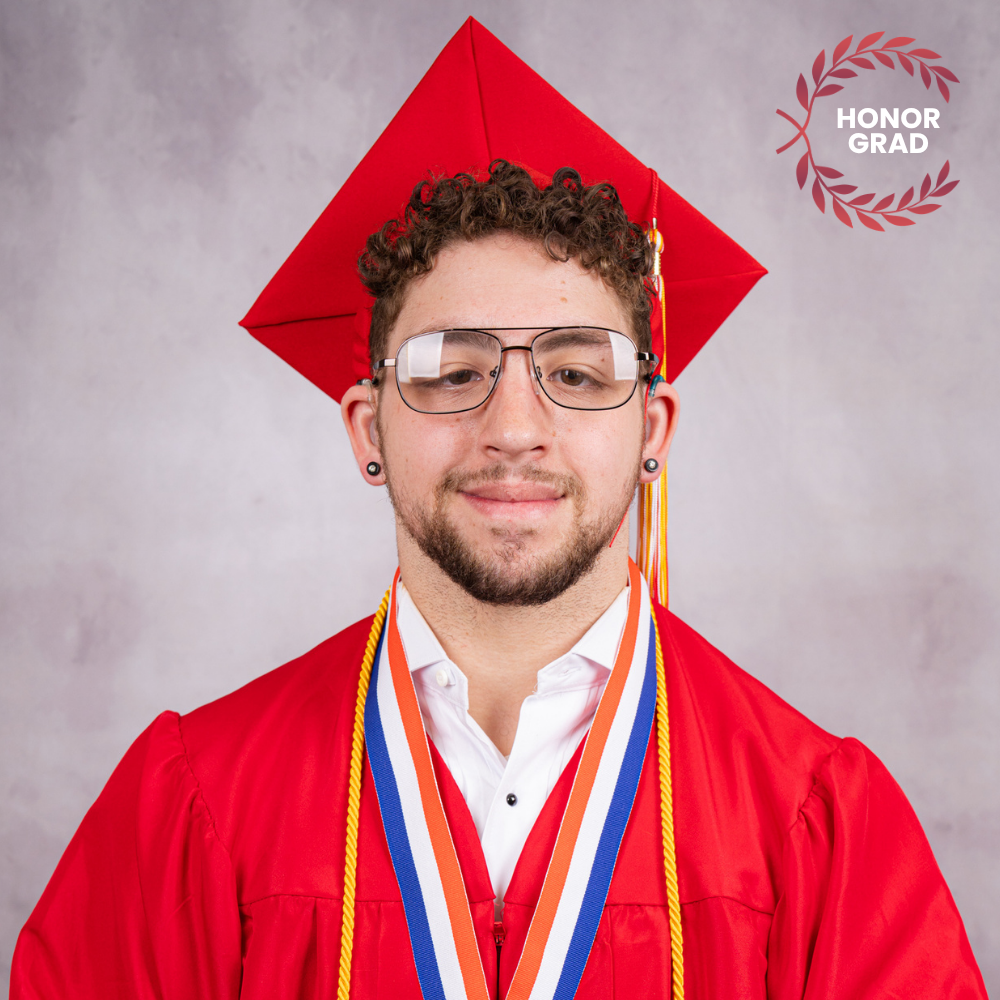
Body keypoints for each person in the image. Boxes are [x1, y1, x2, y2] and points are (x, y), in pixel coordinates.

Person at [11, 18, 986, 1000]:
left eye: (576, 369)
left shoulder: (817, 826)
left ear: (652, 428)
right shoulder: (194, 808)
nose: (513, 425)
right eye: (450, 371)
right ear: (365, 428)